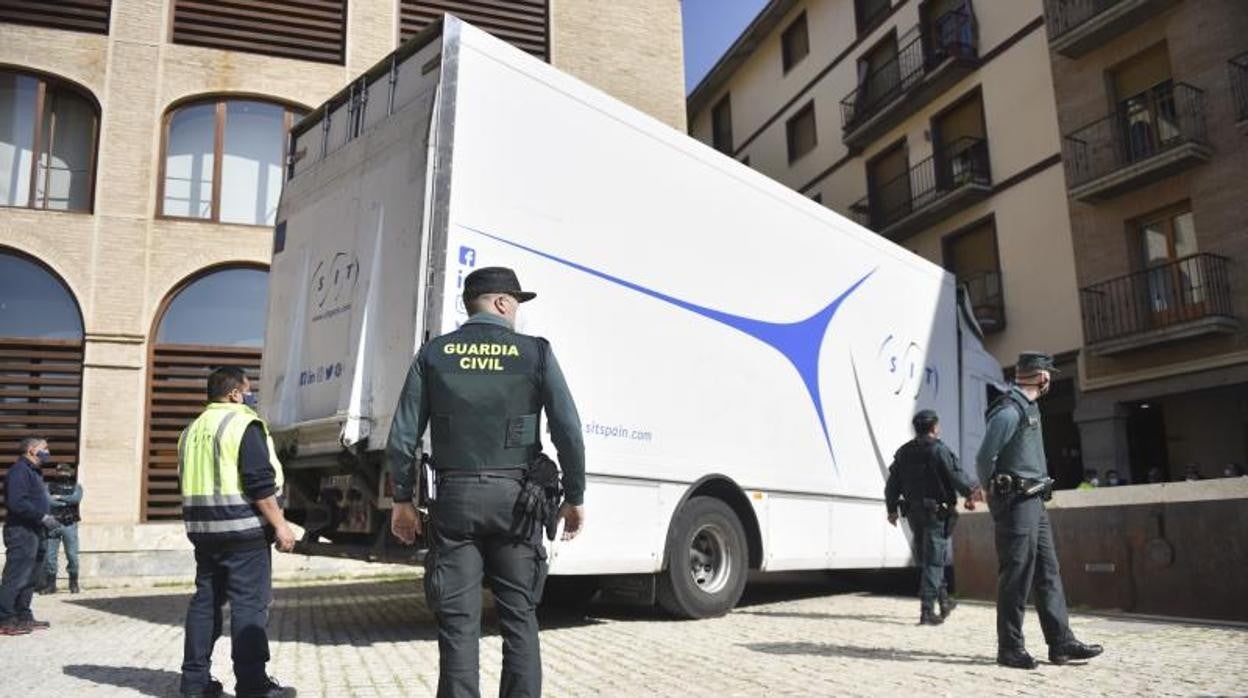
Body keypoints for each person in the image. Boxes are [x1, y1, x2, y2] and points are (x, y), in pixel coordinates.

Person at [387, 266, 586, 698]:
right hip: (519, 503)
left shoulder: (434, 354)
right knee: (519, 618)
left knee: (458, 623)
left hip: (455, 501)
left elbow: (402, 435)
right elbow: (567, 428)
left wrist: (401, 500)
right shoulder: (535, 353)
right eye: (515, 301)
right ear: (500, 302)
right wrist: (574, 495)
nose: (517, 310)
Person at [976, 352, 1102, 670]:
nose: (1050, 379)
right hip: (1016, 502)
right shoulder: (1009, 410)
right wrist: (993, 492)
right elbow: (984, 457)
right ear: (1041, 377)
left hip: (1034, 501)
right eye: (1048, 374)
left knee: (1048, 571)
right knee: (1016, 574)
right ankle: (1010, 648)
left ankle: (1061, 643)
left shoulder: (1028, 407)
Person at [177, 367, 296, 698]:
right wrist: (280, 525)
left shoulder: (191, 430)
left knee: (205, 604)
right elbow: (259, 483)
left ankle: (194, 684)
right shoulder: (244, 424)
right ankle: (253, 685)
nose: (251, 394)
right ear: (233, 393)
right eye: (248, 389)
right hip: (243, 531)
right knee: (249, 606)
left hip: (203, 532)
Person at [884, 409, 982, 625]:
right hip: (936, 513)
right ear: (934, 427)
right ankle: (927, 611)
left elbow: (892, 484)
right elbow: (956, 476)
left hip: (913, 514)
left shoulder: (903, 452)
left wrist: (891, 509)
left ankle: (944, 601)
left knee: (927, 558)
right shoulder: (939, 450)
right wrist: (971, 493)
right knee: (934, 561)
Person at [0, 437, 60, 636]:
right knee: (16, 575)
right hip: (21, 531)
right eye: (45, 448)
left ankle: (23, 615)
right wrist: (41, 516)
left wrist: (48, 518)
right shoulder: (19, 471)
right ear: (32, 450)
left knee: (31, 576)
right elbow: (17, 502)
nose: (48, 452)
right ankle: (5, 619)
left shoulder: (34, 472)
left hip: (36, 530)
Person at [40, 463, 83, 594]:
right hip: (53, 523)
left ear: (69, 473)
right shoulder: (48, 486)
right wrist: (66, 501)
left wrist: (59, 497)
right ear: (56, 472)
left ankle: (73, 582)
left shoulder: (76, 486)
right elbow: (48, 501)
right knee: (49, 556)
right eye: (60, 472)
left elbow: (75, 499)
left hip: (70, 524)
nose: (63, 474)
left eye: (65, 472)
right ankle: (51, 585)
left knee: (72, 555)